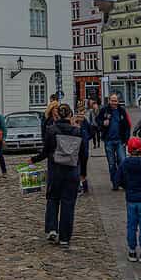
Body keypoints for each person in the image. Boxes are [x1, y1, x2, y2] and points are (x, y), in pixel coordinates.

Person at [29, 104, 84, 247]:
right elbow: (83, 154)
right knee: (68, 204)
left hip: (55, 171)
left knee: (53, 199)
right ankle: (65, 237)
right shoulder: (77, 132)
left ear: (58, 115)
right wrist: (83, 173)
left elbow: (46, 151)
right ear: (70, 115)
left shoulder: (51, 130)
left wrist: (34, 159)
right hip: (72, 172)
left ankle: (52, 228)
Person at [94, 92, 132, 190]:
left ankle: (123, 182)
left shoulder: (121, 111)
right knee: (111, 164)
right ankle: (115, 183)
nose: (114, 103)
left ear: (118, 101)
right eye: (112, 101)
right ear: (109, 101)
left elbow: (127, 126)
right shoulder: (104, 110)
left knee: (122, 162)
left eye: (116, 101)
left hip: (120, 141)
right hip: (108, 141)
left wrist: (126, 139)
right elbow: (97, 120)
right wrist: (103, 123)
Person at [77, 112, 91, 194]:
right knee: (77, 168)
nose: (80, 116)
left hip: (84, 149)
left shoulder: (86, 123)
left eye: (82, 115)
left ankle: (84, 185)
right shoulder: (74, 123)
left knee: (83, 168)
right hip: (76, 150)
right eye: (79, 115)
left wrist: (86, 138)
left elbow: (91, 132)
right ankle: (80, 185)